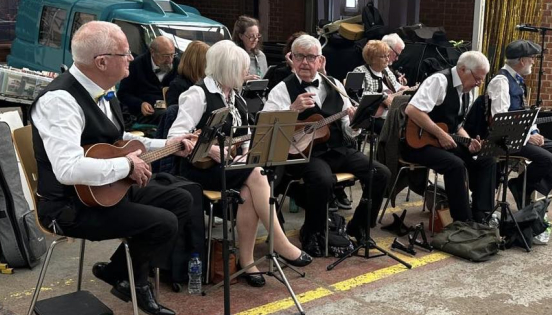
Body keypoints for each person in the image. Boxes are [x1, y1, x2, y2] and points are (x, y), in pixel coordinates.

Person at [31, 21, 196, 315]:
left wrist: (171, 142)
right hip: (70, 206)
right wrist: (127, 165)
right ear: (101, 61)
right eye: (125, 53)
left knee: (182, 199)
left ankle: (121, 272)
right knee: (163, 223)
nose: (132, 58)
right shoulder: (60, 101)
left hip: (106, 192)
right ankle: (134, 281)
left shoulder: (104, 91)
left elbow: (121, 141)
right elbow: (67, 170)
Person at [169, 40, 312, 286]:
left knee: (249, 186)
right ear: (227, 69)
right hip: (198, 170)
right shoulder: (198, 94)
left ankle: (247, 261)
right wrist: (211, 150)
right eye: (242, 69)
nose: (247, 74)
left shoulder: (236, 96)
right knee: (256, 175)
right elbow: (174, 139)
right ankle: (279, 242)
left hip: (231, 166)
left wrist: (245, 152)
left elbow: (245, 134)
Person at [263, 35, 391, 254]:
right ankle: (312, 232)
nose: (304, 62)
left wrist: (353, 121)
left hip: (338, 149)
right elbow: (267, 129)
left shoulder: (335, 84)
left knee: (380, 173)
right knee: (322, 180)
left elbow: (348, 129)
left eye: (310, 57)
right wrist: (292, 109)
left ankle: (359, 225)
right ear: (292, 59)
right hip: (306, 153)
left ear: (320, 61)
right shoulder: (281, 89)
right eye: (299, 56)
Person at [402, 51, 496, 223]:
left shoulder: (467, 92)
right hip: (417, 143)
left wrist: (469, 141)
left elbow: (456, 124)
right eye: (477, 78)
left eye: (481, 80)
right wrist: (440, 134)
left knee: (486, 159)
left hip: (444, 142)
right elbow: (412, 110)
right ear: (462, 69)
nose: (479, 83)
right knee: (456, 165)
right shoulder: (439, 81)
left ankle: (482, 214)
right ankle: (462, 221)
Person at [485, 40, 552, 207]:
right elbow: (501, 119)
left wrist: (533, 132)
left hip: (522, 136)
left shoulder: (517, 80)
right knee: (547, 159)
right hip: (507, 139)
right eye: (532, 58)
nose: (534, 61)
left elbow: (524, 112)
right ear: (522, 61)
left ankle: (528, 189)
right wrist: (527, 137)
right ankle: (523, 190)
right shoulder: (501, 81)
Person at [349, 40, 409, 134]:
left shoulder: (386, 70)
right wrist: (382, 97)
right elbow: (352, 96)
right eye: (383, 56)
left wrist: (402, 88)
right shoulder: (358, 71)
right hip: (370, 117)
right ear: (372, 58)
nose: (387, 59)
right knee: (396, 130)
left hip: (390, 113)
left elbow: (395, 87)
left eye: (388, 55)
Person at [118, 36, 178, 124]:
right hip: (146, 113)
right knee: (169, 115)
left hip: (171, 108)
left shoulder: (178, 64)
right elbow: (123, 94)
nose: (170, 60)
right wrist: (140, 104)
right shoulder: (136, 65)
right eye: (165, 56)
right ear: (152, 52)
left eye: (172, 55)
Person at [166, 41, 208, 107]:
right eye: (206, 61)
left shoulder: (205, 83)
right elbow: (173, 114)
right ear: (198, 64)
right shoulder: (177, 86)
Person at [233, 15, 267, 79]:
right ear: (241, 36)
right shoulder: (233, 56)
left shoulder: (261, 56)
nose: (255, 39)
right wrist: (244, 79)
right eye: (251, 36)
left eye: (257, 35)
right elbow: (228, 81)